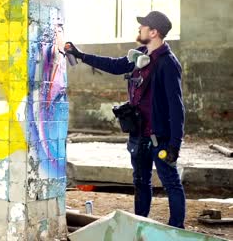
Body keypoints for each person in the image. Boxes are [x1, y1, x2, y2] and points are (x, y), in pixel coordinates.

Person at [65, 11, 186, 228]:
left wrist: (175, 145)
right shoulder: (139, 55)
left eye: (143, 26)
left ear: (154, 31)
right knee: (141, 182)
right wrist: (80, 55)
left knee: (171, 184)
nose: (139, 29)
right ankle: (140, 224)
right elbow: (114, 65)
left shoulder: (168, 63)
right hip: (138, 134)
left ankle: (177, 229)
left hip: (159, 138)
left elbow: (177, 108)